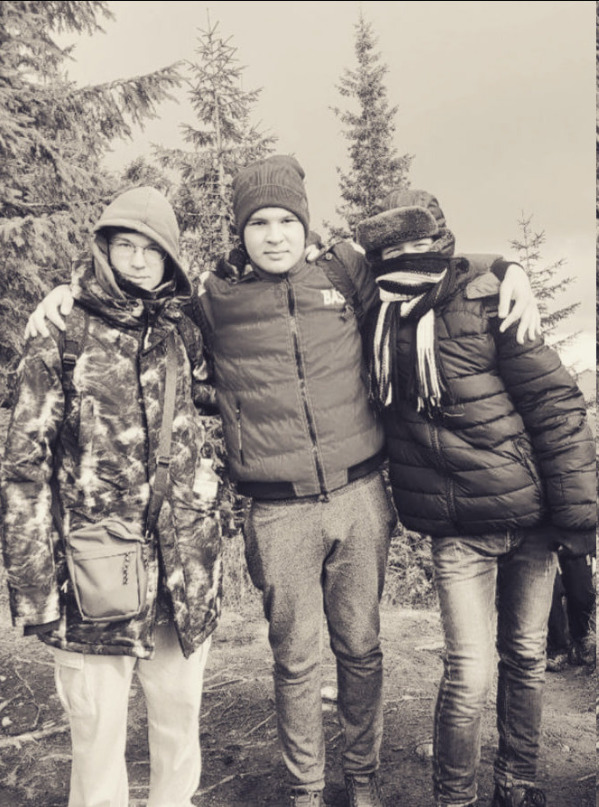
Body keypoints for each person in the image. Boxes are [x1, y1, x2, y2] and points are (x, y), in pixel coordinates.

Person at [24, 156, 539, 807]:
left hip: (359, 495)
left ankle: (361, 781)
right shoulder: (212, 299)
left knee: (361, 649)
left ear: (304, 223)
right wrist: (66, 295)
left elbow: (429, 267)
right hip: (276, 510)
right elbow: (132, 309)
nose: (274, 235)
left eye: (286, 221)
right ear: (240, 231)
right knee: (295, 659)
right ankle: (305, 790)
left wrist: (507, 268)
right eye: (259, 223)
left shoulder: (343, 271)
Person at [355, 190, 596, 807]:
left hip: (533, 522)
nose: (411, 258)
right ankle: (455, 798)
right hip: (459, 530)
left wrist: (578, 516)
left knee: (526, 658)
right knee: (468, 674)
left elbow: (555, 405)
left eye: (422, 243)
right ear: (377, 255)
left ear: (443, 241)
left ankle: (517, 782)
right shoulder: (372, 315)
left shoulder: (488, 300)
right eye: (395, 248)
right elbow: (312, 272)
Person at [1, 186, 222, 807]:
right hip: (92, 578)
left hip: (181, 576)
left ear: (170, 256)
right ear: (104, 249)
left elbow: (230, 399)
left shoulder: (184, 330)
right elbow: (24, 467)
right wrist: (36, 594)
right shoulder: (61, 333)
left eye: (153, 248)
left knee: (179, 732)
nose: (139, 260)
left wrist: (210, 491)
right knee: (96, 745)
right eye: (125, 245)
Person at [545, 549, 596, 671]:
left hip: (575, 544)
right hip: (543, 546)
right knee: (551, 592)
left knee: (582, 594)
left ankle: (580, 642)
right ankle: (556, 648)